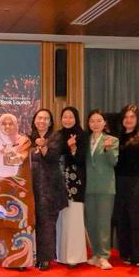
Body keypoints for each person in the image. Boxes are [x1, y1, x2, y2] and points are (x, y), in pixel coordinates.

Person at [0, 114, 35, 269]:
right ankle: (3, 259)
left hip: (19, 191)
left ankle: (22, 261)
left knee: (20, 224)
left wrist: (11, 154)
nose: (7, 127)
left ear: (16, 125)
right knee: (1, 224)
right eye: (4, 124)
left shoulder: (23, 140)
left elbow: (20, 158)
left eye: (11, 123)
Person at [29, 108, 67, 271]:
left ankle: (45, 258)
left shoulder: (56, 137)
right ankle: (33, 255)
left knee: (46, 222)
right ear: (34, 121)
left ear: (50, 122)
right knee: (33, 220)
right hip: (32, 185)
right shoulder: (28, 138)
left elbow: (52, 157)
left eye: (45, 118)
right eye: (39, 118)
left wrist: (43, 146)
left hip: (49, 186)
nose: (42, 121)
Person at [114, 104, 139, 267]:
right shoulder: (117, 136)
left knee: (135, 216)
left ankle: (138, 255)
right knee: (121, 217)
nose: (129, 120)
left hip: (136, 180)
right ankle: (126, 254)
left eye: (132, 117)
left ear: (137, 119)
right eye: (126, 117)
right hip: (118, 180)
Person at [85, 109, 119, 270]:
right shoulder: (86, 140)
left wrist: (107, 149)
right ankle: (96, 254)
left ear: (104, 123)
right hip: (89, 187)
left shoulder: (112, 140)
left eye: (99, 120)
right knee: (91, 222)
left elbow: (113, 162)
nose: (96, 124)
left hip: (106, 187)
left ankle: (104, 256)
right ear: (88, 123)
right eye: (92, 121)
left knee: (103, 223)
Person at [56, 107, 87, 267]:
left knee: (74, 219)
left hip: (75, 183)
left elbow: (81, 160)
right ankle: (61, 256)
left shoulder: (82, 135)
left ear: (76, 118)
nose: (67, 120)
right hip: (59, 182)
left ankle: (74, 257)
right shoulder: (57, 135)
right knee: (61, 219)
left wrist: (73, 147)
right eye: (65, 117)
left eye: (70, 117)